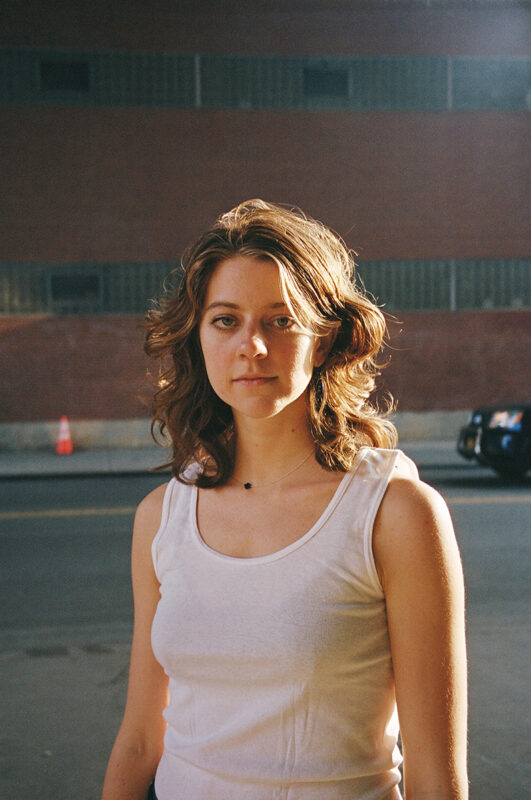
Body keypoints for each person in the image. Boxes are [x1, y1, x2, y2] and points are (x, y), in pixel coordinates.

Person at [101, 199, 468, 800]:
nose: (253, 346)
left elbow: (437, 780)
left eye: (281, 319)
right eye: (226, 320)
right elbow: (142, 738)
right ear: (198, 337)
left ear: (323, 342)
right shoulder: (160, 518)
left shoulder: (394, 513)